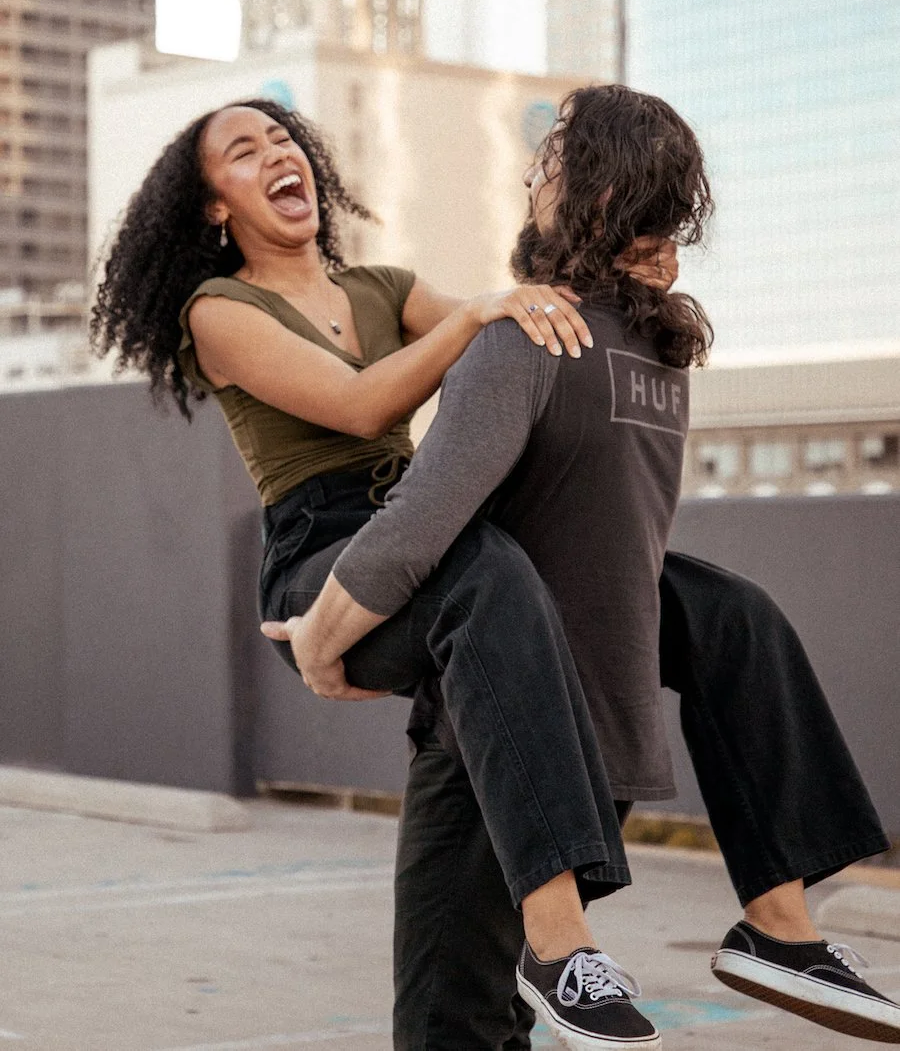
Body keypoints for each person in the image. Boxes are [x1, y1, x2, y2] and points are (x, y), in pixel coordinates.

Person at [90, 92, 896, 1049]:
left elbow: (529, 325)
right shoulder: (220, 310)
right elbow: (359, 404)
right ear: (217, 206)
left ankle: (780, 924)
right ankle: (556, 941)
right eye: (242, 151)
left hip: (432, 528)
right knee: (485, 569)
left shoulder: (383, 287)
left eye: (284, 136)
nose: (276, 151)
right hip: (323, 551)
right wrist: (482, 314)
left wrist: (623, 266)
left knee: (723, 610)